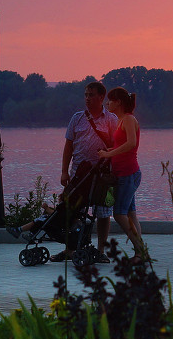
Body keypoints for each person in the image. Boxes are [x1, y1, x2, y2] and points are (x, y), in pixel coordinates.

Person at [53, 82, 117, 259]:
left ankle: (101, 251)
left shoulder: (111, 120)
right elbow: (68, 146)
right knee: (73, 211)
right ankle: (70, 249)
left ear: (101, 97)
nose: (87, 98)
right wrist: (64, 171)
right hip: (78, 174)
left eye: (91, 95)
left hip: (102, 176)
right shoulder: (77, 118)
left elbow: (119, 146)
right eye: (86, 95)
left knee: (103, 213)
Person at [97, 87, 145, 257]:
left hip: (128, 174)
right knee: (131, 214)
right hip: (122, 174)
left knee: (119, 214)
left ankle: (140, 252)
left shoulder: (129, 119)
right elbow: (122, 145)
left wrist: (109, 153)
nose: (107, 104)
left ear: (118, 102)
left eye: (109, 100)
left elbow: (131, 144)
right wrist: (109, 150)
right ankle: (141, 253)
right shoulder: (120, 120)